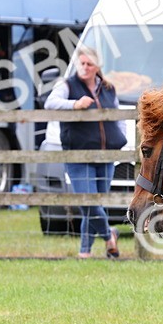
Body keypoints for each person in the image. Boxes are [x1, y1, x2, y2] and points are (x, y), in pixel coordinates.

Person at [45, 46, 125, 258]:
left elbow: (118, 117)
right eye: (82, 63)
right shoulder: (66, 85)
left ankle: (85, 252)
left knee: (95, 204)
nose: (85, 68)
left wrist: (120, 142)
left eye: (89, 64)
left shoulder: (108, 88)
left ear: (97, 66)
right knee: (88, 202)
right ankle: (110, 237)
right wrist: (75, 105)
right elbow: (50, 103)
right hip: (77, 153)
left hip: (105, 155)